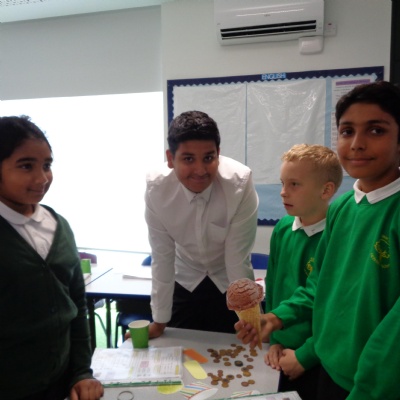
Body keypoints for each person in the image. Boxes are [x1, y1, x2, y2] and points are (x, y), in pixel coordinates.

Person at [235, 80, 400, 400]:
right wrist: (275, 318)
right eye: (347, 131)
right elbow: (319, 285)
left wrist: (366, 389)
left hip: (372, 385)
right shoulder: (342, 208)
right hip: (330, 367)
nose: (357, 144)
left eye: (376, 130)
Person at [0, 116, 104, 400]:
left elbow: (77, 305)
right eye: (26, 166)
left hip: (62, 383)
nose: (42, 178)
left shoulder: (59, 225)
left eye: (47, 165)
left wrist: (81, 372)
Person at [144, 110, 259, 339]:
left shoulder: (239, 183)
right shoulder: (157, 189)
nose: (200, 170)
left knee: (236, 348)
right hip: (185, 277)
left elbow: (237, 259)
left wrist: (251, 320)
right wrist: (158, 322)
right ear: (170, 158)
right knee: (178, 347)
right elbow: (162, 257)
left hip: (227, 280)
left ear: (218, 154)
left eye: (208, 158)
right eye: (188, 159)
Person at [265, 144, 343, 400]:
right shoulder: (283, 228)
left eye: (294, 184)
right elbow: (273, 285)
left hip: (318, 356)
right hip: (279, 351)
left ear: (326, 190)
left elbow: (335, 308)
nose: (283, 192)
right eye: (282, 183)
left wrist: (306, 354)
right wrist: (274, 339)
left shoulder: (337, 236)